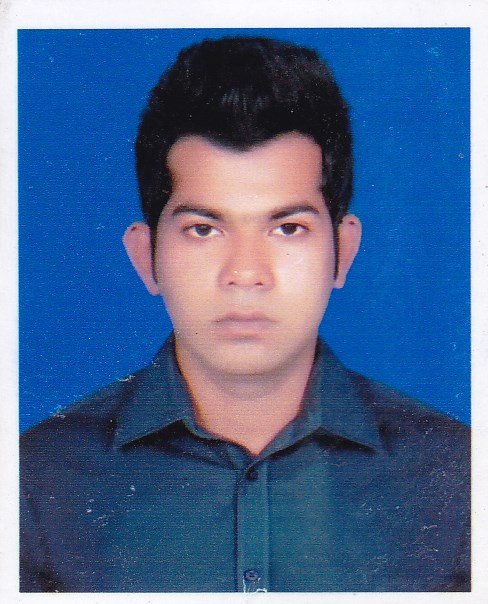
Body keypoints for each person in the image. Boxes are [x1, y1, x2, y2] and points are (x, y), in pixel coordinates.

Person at [20, 36, 470, 593]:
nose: (246, 273)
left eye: (288, 228)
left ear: (343, 251)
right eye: (203, 229)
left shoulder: (461, 476)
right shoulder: (34, 480)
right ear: (146, 257)